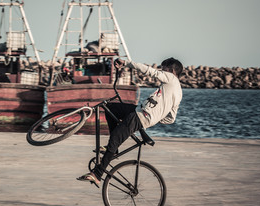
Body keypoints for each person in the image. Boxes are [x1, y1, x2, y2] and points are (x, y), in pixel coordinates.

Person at [77, 57, 183, 187]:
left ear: (171, 70)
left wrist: (127, 63)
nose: (161, 71)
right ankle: (113, 150)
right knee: (111, 108)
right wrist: (155, 117)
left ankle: (97, 174)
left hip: (141, 116)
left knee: (115, 139)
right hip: (140, 113)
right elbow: (171, 118)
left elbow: (150, 71)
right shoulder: (179, 91)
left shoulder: (171, 78)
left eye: (163, 69)